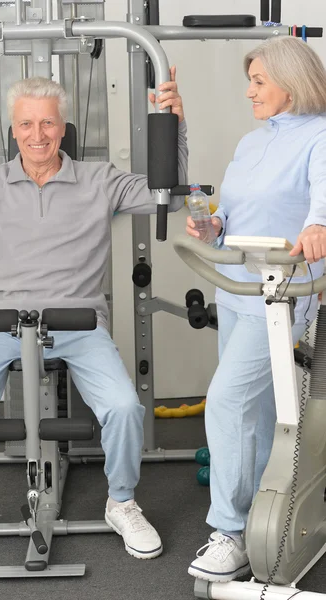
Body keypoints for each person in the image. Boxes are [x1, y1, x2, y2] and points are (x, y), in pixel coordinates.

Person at [0, 67, 187, 559]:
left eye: (47, 124)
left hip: (79, 321)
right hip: (4, 322)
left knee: (124, 408)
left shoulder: (99, 179)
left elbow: (168, 196)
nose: (38, 135)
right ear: (13, 129)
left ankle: (122, 501)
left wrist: (174, 123)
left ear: (63, 127)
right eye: (26, 125)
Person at [186, 36, 326, 582]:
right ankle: (272, 517)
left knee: (226, 403)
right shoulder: (251, 142)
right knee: (259, 413)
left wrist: (318, 226)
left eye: (259, 81)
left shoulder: (320, 137)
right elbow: (236, 213)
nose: (249, 91)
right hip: (239, 291)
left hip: (282, 295)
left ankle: (229, 532)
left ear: (291, 85)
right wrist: (214, 225)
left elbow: (321, 202)